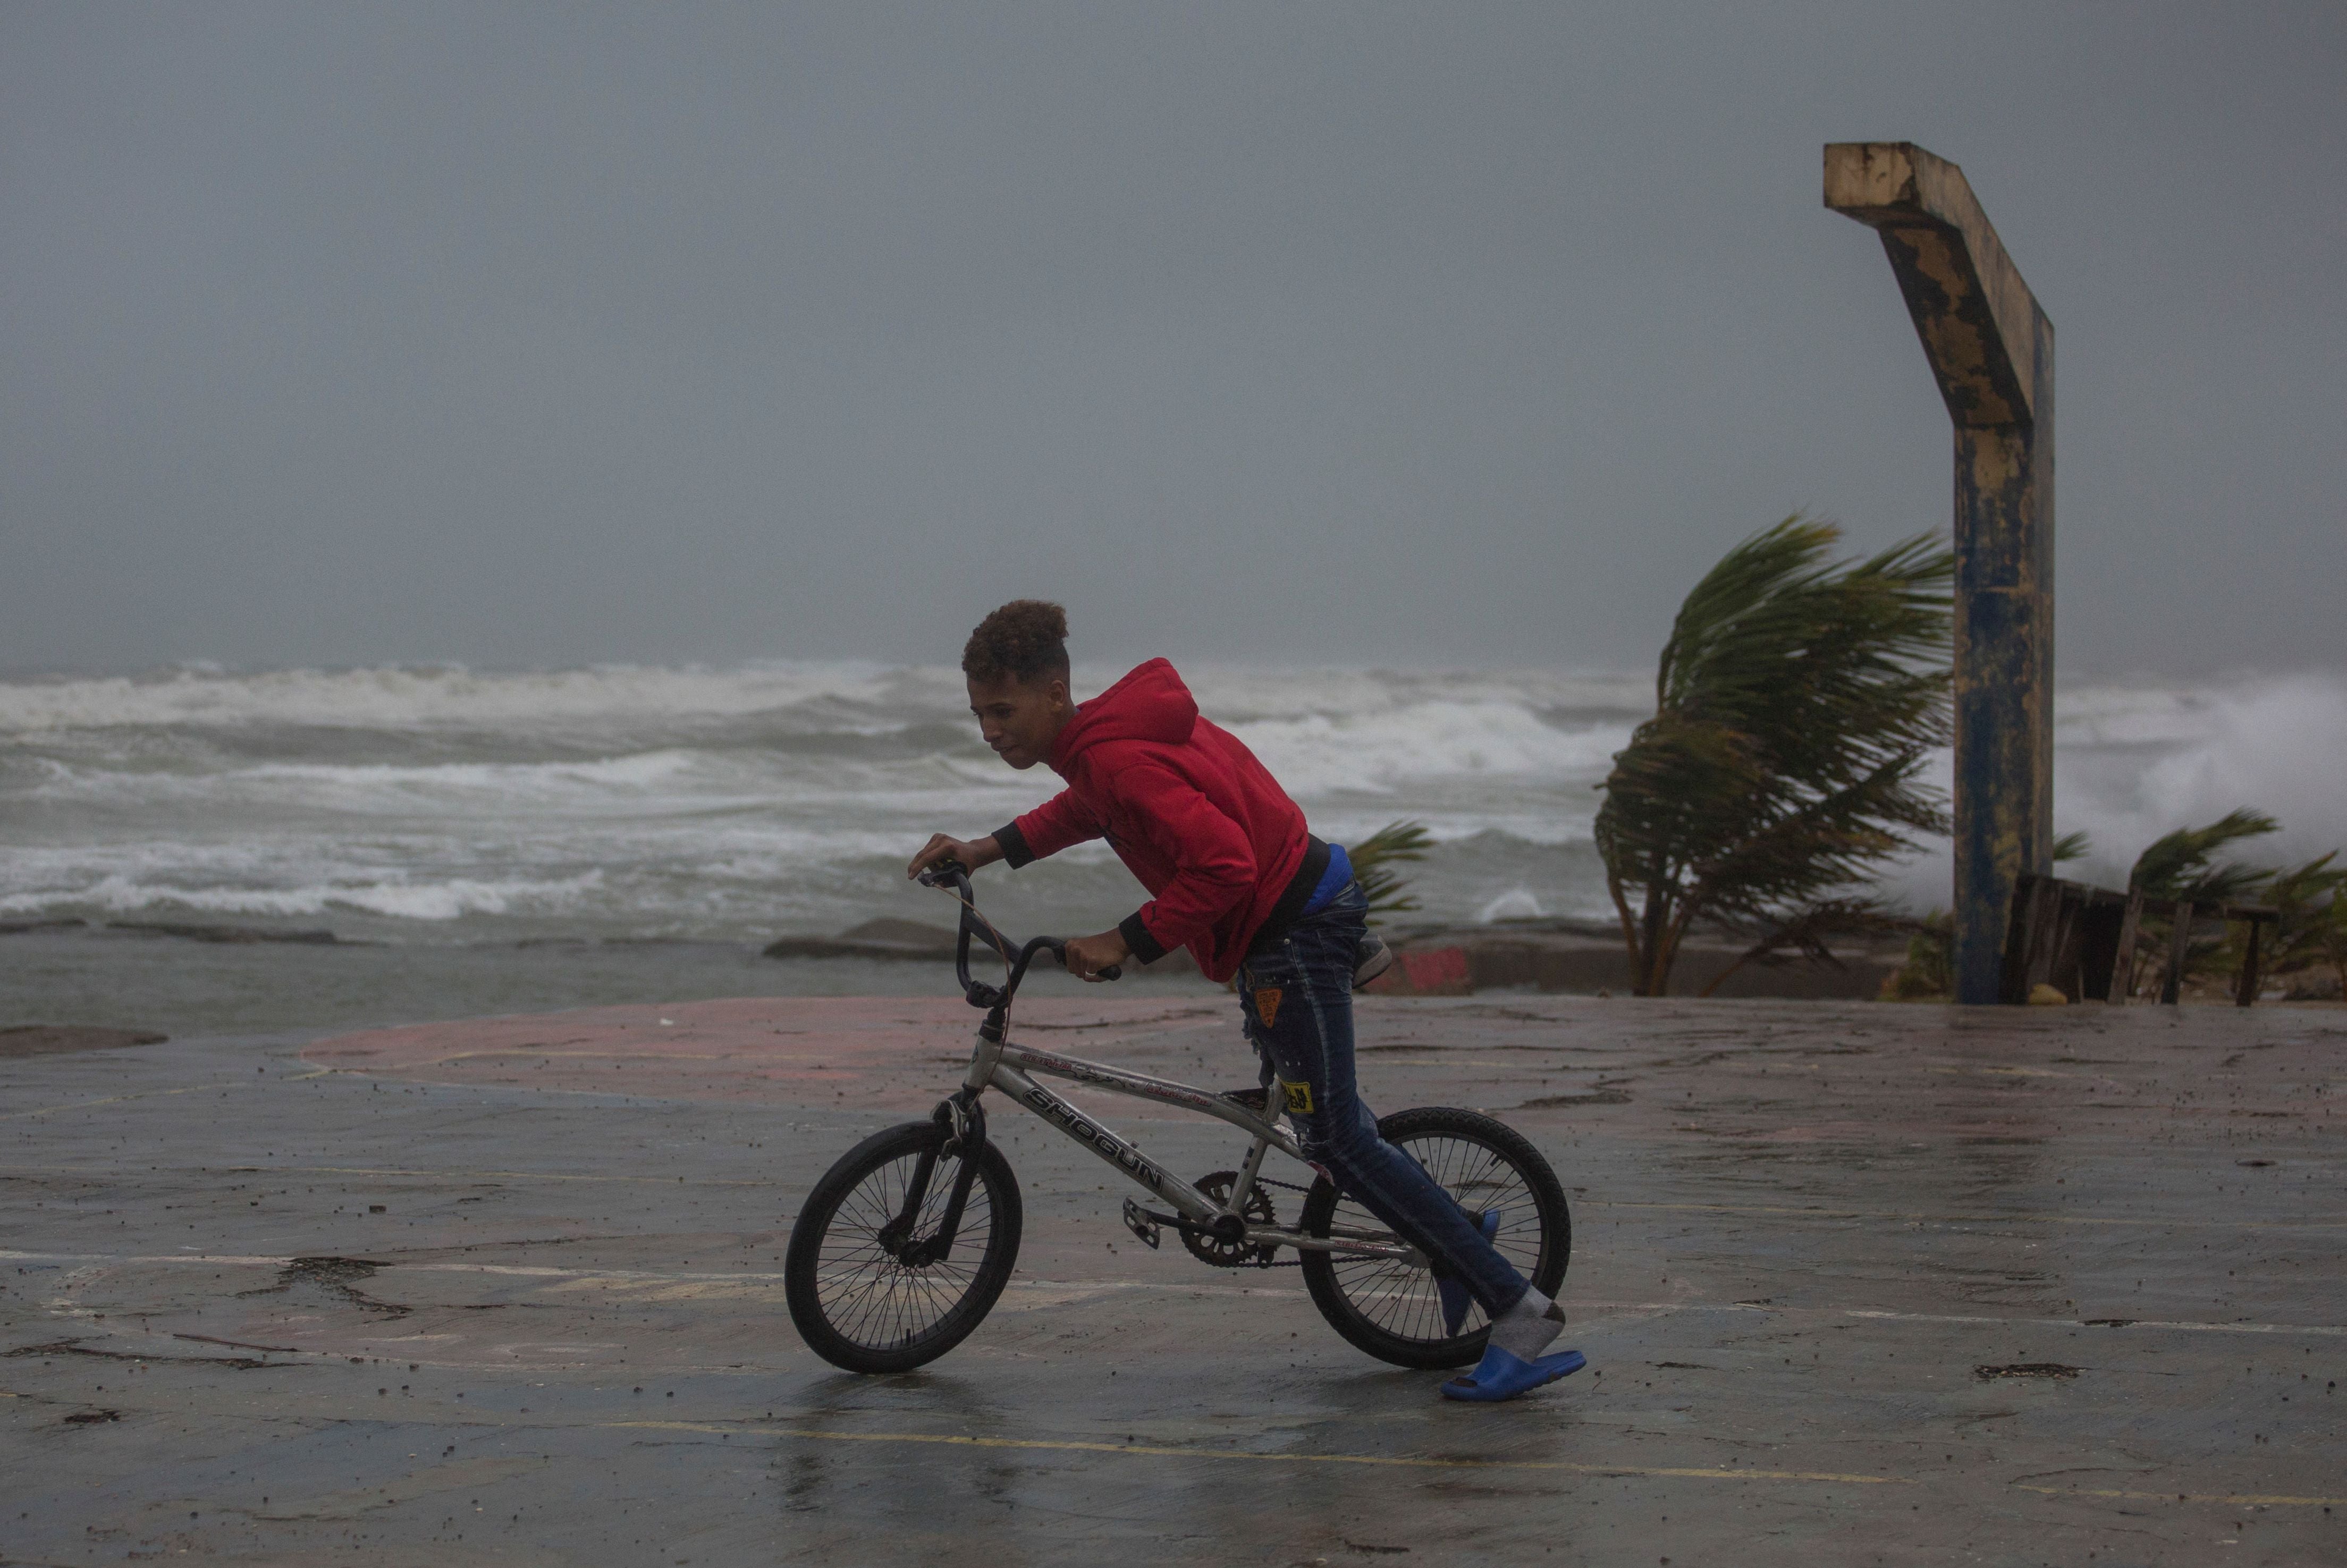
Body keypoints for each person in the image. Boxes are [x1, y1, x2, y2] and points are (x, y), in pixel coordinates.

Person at [907, 599, 1583, 1401]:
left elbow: (1223, 865)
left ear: (1055, 693)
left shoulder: (1116, 756)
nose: (990, 728)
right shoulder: (1103, 744)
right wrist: (988, 847)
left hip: (1291, 929)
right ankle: (1454, 1230)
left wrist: (1127, 939)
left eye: (1003, 708)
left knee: (1335, 1139)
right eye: (979, 712)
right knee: (1329, 1120)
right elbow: (1090, 809)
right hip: (1297, 900)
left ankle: (1517, 1308)